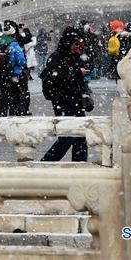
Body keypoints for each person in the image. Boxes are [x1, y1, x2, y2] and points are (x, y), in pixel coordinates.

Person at [40, 27, 89, 162]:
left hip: (76, 101)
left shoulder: (74, 56)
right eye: (76, 44)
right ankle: (46, 162)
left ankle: (80, 166)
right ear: (68, 43)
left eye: (80, 44)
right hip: (62, 102)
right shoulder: (55, 58)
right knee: (67, 137)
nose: (78, 47)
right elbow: (58, 79)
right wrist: (78, 73)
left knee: (80, 136)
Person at [0, 21, 27, 117]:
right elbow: (22, 61)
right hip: (13, 76)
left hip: (2, 77)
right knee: (14, 100)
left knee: (3, 100)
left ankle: (1, 118)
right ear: (13, 34)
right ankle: (13, 119)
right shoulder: (14, 45)